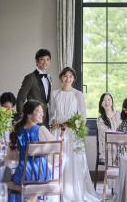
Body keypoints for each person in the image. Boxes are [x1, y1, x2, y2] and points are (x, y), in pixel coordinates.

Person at [50, 67, 99, 202]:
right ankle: (58, 191)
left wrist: (71, 124)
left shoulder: (78, 94)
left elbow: (83, 116)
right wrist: (53, 120)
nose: (68, 78)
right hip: (58, 131)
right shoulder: (55, 94)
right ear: (61, 77)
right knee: (58, 161)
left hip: (72, 132)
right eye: (65, 76)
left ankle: (73, 191)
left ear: (74, 78)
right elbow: (52, 113)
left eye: (70, 76)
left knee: (73, 161)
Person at [6, 100, 56, 202]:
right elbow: (55, 149)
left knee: (11, 177)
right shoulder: (41, 130)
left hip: (23, 173)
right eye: (38, 111)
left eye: (42, 111)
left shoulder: (17, 130)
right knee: (37, 177)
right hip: (41, 173)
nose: (42, 114)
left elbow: (11, 158)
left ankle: (29, 199)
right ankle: (31, 199)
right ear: (29, 115)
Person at [17, 49, 52, 127]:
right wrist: (22, 118)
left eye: (47, 59)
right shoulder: (30, 78)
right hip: (33, 118)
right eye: (42, 59)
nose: (45, 62)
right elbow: (20, 99)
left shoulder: (49, 77)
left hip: (46, 119)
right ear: (36, 61)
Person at [96, 93, 121, 162]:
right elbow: (106, 135)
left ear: (112, 102)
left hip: (121, 144)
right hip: (108, 147)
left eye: (109, 100)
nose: (107, 102)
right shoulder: (100, 119)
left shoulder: (119, 114)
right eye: (104, 100)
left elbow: (123, 129)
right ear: (101, 103)